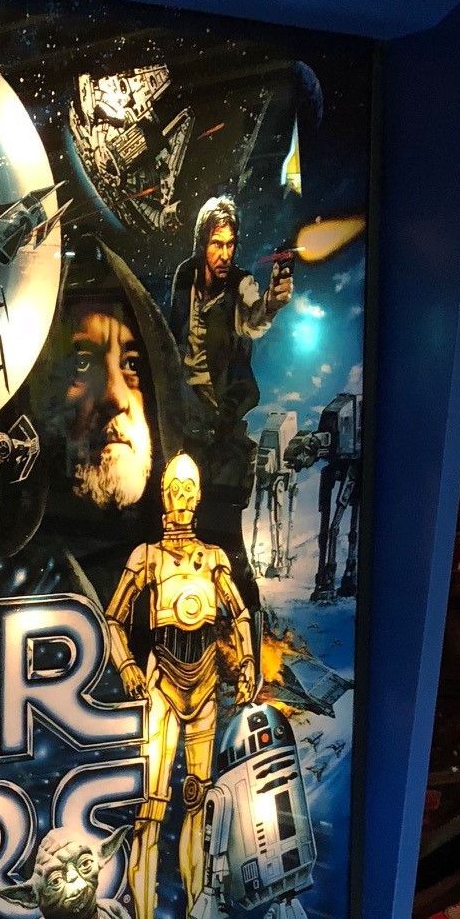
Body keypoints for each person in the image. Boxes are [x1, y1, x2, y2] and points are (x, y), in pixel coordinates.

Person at [106, 453, 256, 919]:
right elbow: (114, 619)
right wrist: (127, 665)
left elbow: (238, 613)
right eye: (176, 487)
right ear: (163, 493)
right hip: (163, 686)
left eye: (191, 488)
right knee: (150, 812)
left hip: (205, 686)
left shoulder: (213, 558)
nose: (183, 497)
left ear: (199, 496)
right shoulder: (146, 557)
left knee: (198, 806)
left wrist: (248, 660)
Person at [165, 196, 292, 619]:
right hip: (184, 427)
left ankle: (246, 619)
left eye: (230, 244)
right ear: (202, 242)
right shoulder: (185, 277)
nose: (224, 253)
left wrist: (272, 302)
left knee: (226, 538)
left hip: (221, 430)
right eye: (216, 243)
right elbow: (172, 336)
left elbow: (253, 317)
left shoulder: (241, 283)